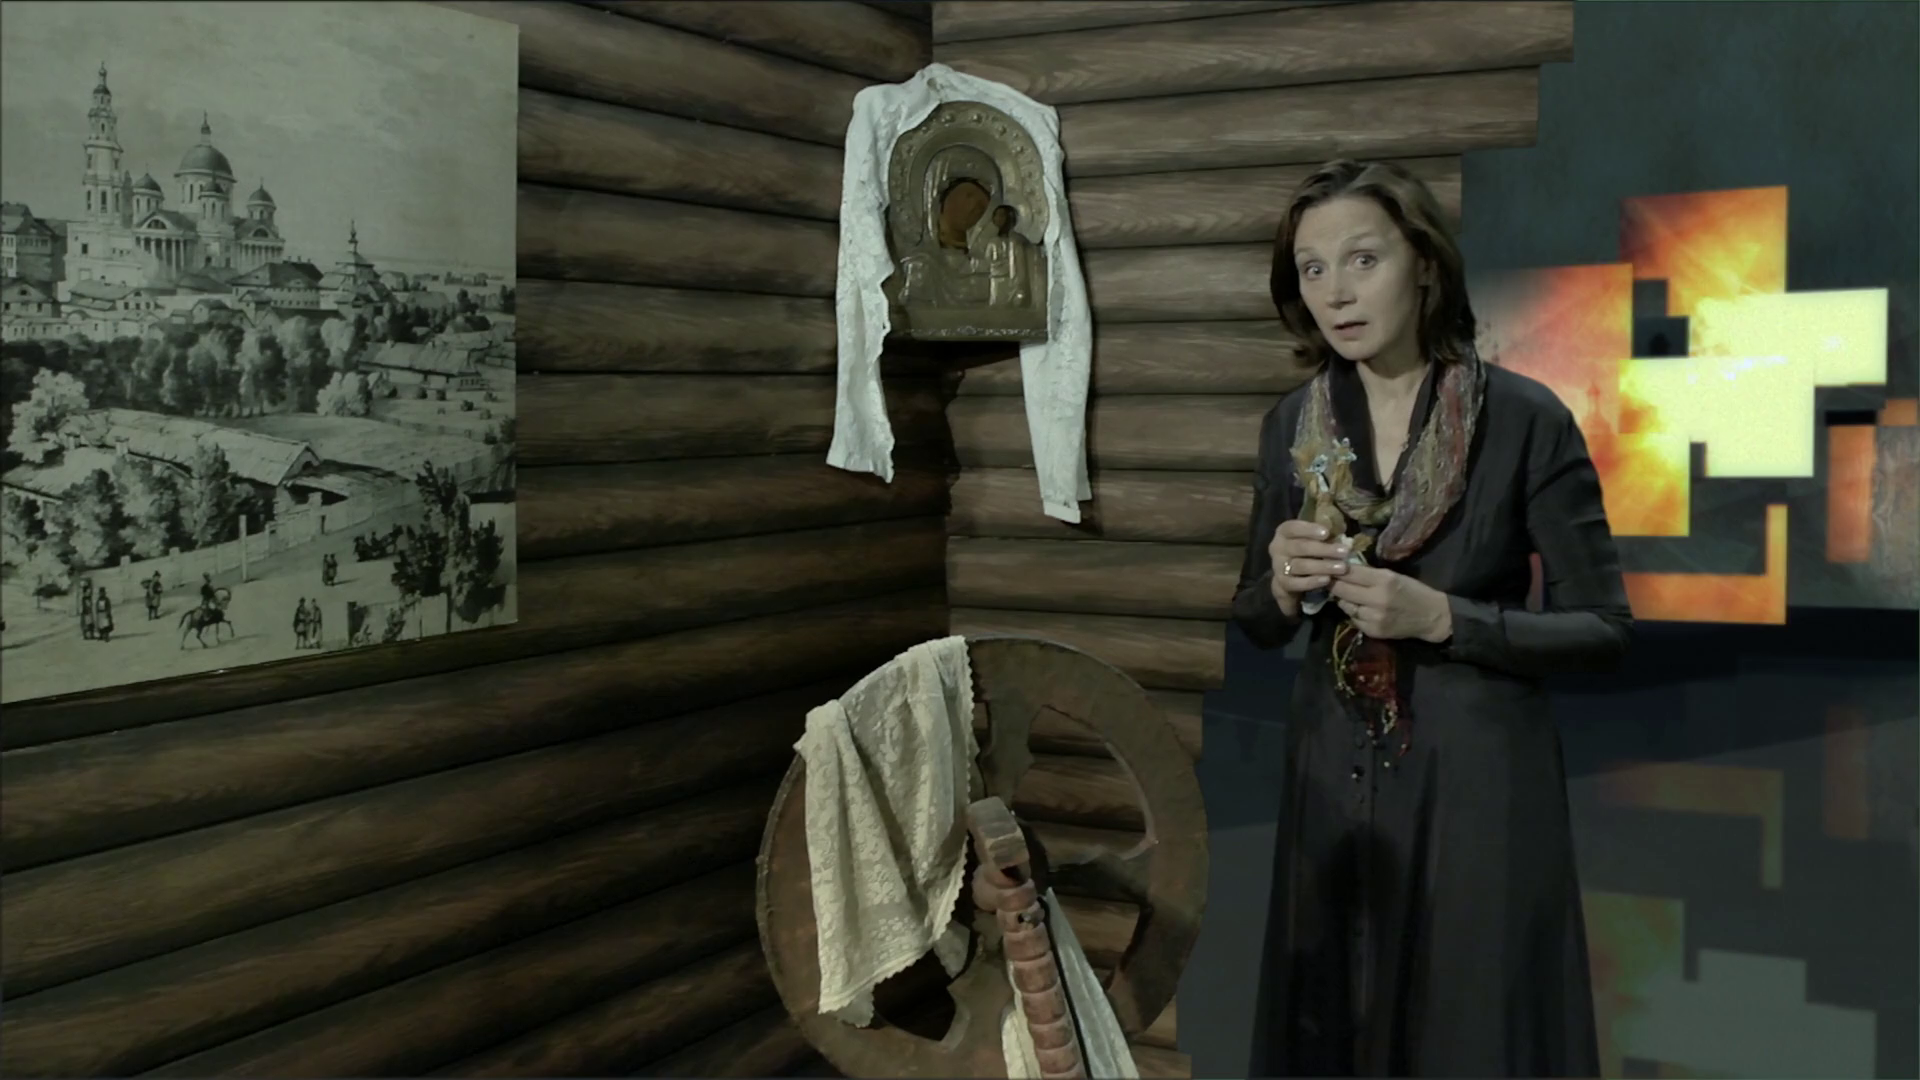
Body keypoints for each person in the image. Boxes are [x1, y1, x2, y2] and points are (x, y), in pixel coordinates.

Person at [973, 160, 1633, 1078]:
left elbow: (1604, 630)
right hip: (1334, 773)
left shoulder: (1525, 420)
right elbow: (1257, 618)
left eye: (1363, 259)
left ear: (1425, 265)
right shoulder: (1295, 424)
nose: (1336, 293)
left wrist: (1445, 618)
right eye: (1313, 269)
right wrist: (1282, 587)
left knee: (1470, 1027)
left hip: (1480, 785)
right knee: (1333, 1018)